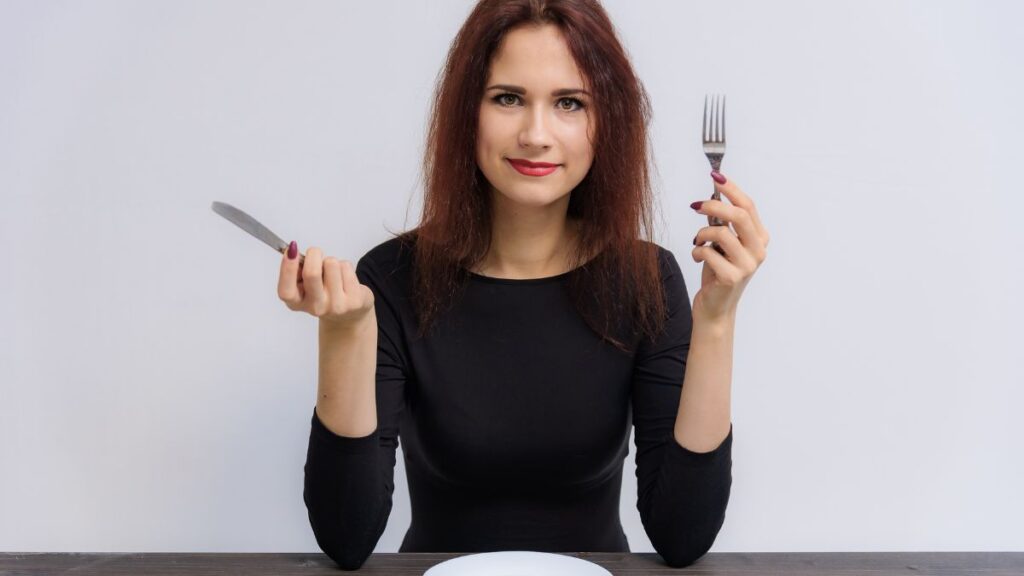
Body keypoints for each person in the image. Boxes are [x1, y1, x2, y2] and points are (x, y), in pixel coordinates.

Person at [277, 0, 769, 570]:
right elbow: (346, 537)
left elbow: (682, 538)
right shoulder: (391, 279)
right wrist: (346, 332)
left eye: (569, 103)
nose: (536, 135)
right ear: (468, 114)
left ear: (605, 121)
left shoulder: (647, 281)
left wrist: (717, 317)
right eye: (508, 98)